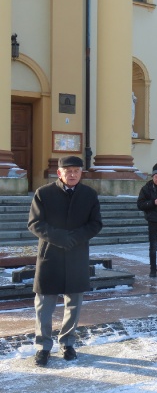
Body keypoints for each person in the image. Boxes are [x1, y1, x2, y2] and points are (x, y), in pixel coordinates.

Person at [28, 156, 103, 367]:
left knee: (74, 303)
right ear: (59, 173)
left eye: (76, 171)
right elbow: (35, 223)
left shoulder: (89, 195)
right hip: (50, 254)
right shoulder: (43, 193)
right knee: (44, 305)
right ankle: (43, 347)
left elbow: (95, 223)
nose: (72, 174)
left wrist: (75, 238)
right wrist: (61, 237)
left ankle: (68, 343)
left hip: (76, 255)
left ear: (81, 173)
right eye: (68, 171)